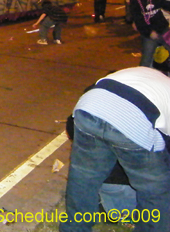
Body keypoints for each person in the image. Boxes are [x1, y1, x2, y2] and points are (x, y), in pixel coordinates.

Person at [61, 67, 170, 232]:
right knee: (155, 189)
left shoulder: (144, 74)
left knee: (84, 179)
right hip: (132, 119)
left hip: (88, 107)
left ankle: (74, 228)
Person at [130, 0, 170, 68]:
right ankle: (143, 78)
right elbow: (138, 20)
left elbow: (166, 5)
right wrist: (149, 32)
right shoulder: (135, 1)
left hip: (164, 30)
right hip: (149, 34)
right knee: (146, 59)